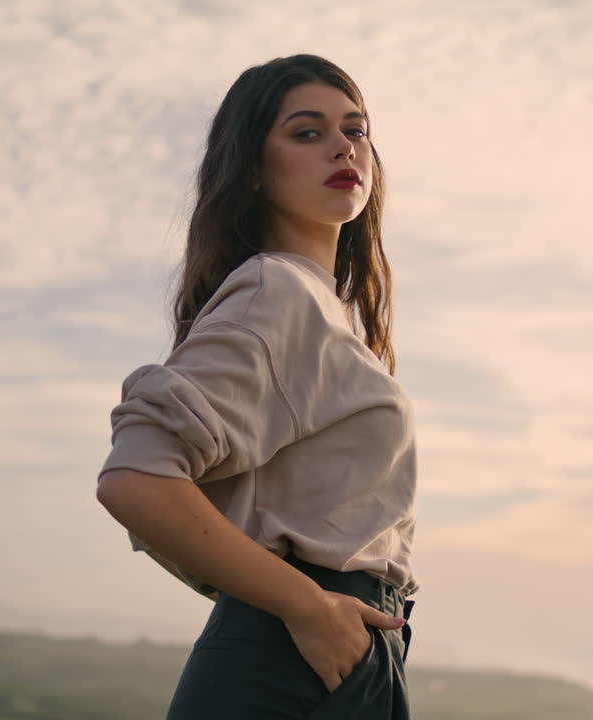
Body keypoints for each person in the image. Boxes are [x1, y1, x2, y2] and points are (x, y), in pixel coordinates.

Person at [95, 53, 419, 719]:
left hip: (335, 648)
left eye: (355, 130)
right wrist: (307, 606)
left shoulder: (324, 311)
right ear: (251, 171)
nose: (342, 146)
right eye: (307, 132)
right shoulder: (279, 292)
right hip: (296, 654)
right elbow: (136, 478)